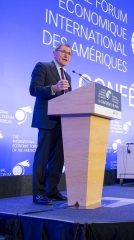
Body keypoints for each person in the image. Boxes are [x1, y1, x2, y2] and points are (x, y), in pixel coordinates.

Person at [29, 43, 72, 205]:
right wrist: (54, 88)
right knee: (43, 157)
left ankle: (52, 190)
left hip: (64, 121)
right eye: (63, 52)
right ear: (55, 53)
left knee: (58, 159)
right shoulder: (43, 67)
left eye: (69, 53)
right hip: (47, 118)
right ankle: (38, 193)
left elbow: (69, 99)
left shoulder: (67, 76)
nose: (66, 55)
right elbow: (34, 89)